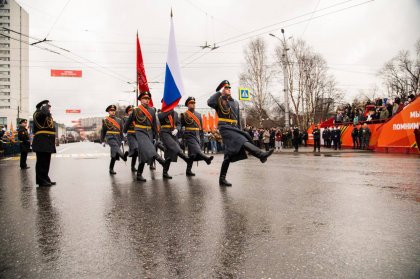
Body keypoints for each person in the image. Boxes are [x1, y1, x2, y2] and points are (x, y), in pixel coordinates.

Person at [208, 80, 274, 186]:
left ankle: (222, 178)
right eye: (226, 88)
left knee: (229, 155)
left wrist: (240, 129)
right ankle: (260, 155)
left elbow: (237, 118)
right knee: (241, 140)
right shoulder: (219, 100)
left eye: (229, 88)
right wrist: (218, 92)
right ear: (222, 90)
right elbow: (209, 102)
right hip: (225, 126)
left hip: (234, 127)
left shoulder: (235, 102)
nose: (228, 89)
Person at [123, 92, 170, 181]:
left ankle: (139, 174)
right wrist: (124, 132)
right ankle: (163, 162)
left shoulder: (152, 110)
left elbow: (154, 125)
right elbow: (128, 122)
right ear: (140, 100)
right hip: (140, 132)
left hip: (149, 133)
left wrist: (156, 136)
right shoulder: (136, 110)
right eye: (145, 98)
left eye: (148, 98)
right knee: (149, 148)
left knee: (144, 153)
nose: (147, 100)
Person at [181, 96, 214, 176]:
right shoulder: (184, 115)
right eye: (191, 103)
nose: (193, 104)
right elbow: (180, 126)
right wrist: (183, 135)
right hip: (189, 135)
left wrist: (202, 139)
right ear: (187, 105)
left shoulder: (199, 115)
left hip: (197, 136)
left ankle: (188, 170)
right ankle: (206, 158)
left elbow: (201, 129)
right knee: (196, 150)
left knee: (192, 155)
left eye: (194, 103)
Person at [157, 108, 192, 179]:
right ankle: (186, 158)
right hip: (165, 133)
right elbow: (160, 117)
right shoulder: (162, 112)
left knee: (170, 153)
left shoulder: (175, 113)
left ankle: (165, 172)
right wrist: (169, 111)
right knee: (174, 146)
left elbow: (179, 124)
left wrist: (177, 129)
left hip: (173, 133)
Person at [32, 100, 56, 186]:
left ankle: (45, 178)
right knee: (41, 161)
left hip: (47, 140)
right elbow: (43, 114)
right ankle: (41, 181)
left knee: (46, 161)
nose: (49, 108)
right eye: (48, 106)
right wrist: (44, 108)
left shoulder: (46, 115)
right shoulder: (38, 114)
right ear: (43, 107)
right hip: (41, 140)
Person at [101, 104, 129, 175]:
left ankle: (111, 169)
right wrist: (102, 141)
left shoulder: (119, 120)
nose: (113, 112)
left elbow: (121, 130)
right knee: (116, 148)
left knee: (114, 154)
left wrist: (123, 139)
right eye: (111, 111)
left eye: (114, 110)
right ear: (108, 112)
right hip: (110, 137)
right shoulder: (105, 120)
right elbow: (103, 131)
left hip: (118, 138)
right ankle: (123, 157)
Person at [123, 105, 138, 172]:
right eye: (130, 111)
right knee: (135, 148)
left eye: (132, 110)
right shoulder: (126, 118)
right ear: (127, 112)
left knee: (135, 152)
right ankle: (128, 153)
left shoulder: (137, 118)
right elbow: (125, 126)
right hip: (130, 135)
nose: (131, 112)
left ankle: (132, 166)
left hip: (137, 135)